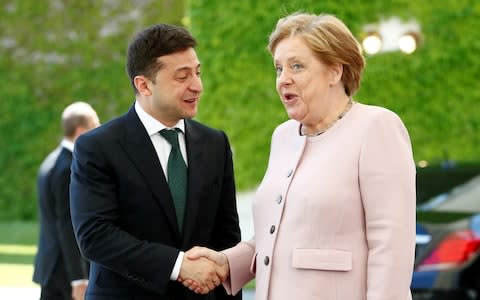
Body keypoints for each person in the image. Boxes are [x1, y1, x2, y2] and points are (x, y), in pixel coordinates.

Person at [183, 12, 416, 300]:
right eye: (279, 68)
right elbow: (279, 235)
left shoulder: (377, 127)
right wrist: (229, 263)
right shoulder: (283, 136)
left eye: (297, 66)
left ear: (335, 71)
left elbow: (392, 247)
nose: (283, 80)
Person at [69, 23, 242, 300]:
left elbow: (227, 237)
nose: (197, 86)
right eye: (182, 77)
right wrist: (178, 266)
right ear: (144, 85)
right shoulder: (97, 147)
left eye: (197, 73)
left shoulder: (215, 144)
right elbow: (95, 236)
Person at [33, 101, 100, 300]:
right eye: (95, 127)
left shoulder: (51, 160)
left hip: (51, 266)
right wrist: (79, 279)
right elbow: (68, 225)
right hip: (65, 271)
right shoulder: (69, 168)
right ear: (81, 131)